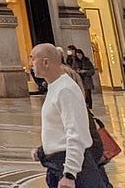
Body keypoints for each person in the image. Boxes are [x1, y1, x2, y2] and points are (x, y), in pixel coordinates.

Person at [30, 43, 103, 187]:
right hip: (57, 164)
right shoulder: (55, 86)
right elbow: (58, 130)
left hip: (71, 168)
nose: (30, 64)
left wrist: (69, 173)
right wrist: (42, 151)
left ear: (46, 62)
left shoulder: (65, 89)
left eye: (33, 59)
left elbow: (75, 133)